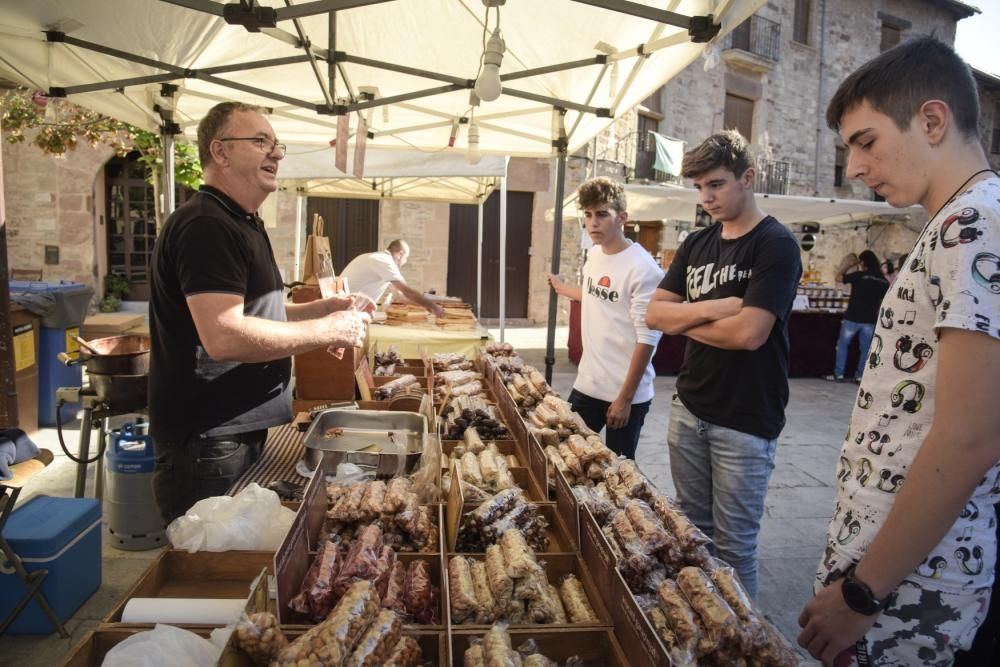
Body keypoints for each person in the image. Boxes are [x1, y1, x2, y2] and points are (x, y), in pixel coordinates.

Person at [796, 36, 1000, 666]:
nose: (854, 166)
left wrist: (863, 592)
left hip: (912, 592)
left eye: (865, 141)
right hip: (900, 578)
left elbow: (970, 436)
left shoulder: (977, 225)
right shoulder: (954, 223)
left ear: (932, 121)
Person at [149, 101, 373, 523]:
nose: (277, 153)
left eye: (276, 144)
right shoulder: (206, 225)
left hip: (231, 434)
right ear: (220, 152)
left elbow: (258, 311)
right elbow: (225, 336)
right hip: (209, 442)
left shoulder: (241, 222)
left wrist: (322, 308)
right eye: (259, 141)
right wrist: (329, 329)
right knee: (212, 573)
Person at [645, 130, 802, 598]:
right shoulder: (696, 243)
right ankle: (703, 629)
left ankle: (742, 645)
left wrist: (682, 321)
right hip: (689, 410)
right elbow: (654, 314)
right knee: (693, 535)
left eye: (715, 184)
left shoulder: (776, 244)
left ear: (747, 178)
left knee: (733, 551)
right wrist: (715, 307)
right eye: (698, 188)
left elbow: (749, 334)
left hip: (746, 420)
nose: (706, 197)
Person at [547, 177, 663, 459]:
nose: (593, 222)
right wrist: (563, 288)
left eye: (602, 214)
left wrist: (624, 399)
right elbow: (596, 295)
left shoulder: (643, 268)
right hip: (587, 384)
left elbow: (647, 339)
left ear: (622, 218)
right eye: (587, 214)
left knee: (619, 475)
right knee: (566, 458)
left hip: (625, 394)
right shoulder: (594, 255)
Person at [825, 250, 889, 383]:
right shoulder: (882, 280)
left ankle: (839, 374)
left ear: (863, 262)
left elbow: (838, 278)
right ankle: (860, 376)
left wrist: (848, 265)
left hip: (852, 317)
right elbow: (886, 298)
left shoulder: (860, 275)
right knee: (865, 349)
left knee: (843, 345)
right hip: (870, 319)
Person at [339, 240, 445, 317]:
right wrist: (433, 307)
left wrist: (425, 305)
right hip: (345, 312)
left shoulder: (379, 259)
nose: (404, 262)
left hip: (346, 308)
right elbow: (407, 291)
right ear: (400, 254)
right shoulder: (385, 261)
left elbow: (399, 296)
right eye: (406, 258)